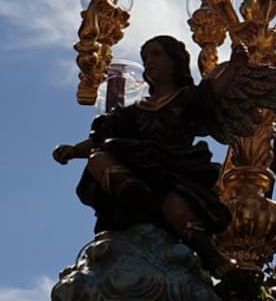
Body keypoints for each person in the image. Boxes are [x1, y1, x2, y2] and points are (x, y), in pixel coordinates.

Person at [53, 36, 236, 278]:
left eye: (156, 54)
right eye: (146, 57)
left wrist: (237, 64)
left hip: (174, 170)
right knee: (98, 159)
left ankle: (211, 255)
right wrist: (74, 150)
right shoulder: (135, 111)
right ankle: (133, 194)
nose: (149, 61)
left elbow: (213, 92)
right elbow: (99, 140)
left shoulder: (188, 98)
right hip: (138, 171)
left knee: (176, 208)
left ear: (175, 60)